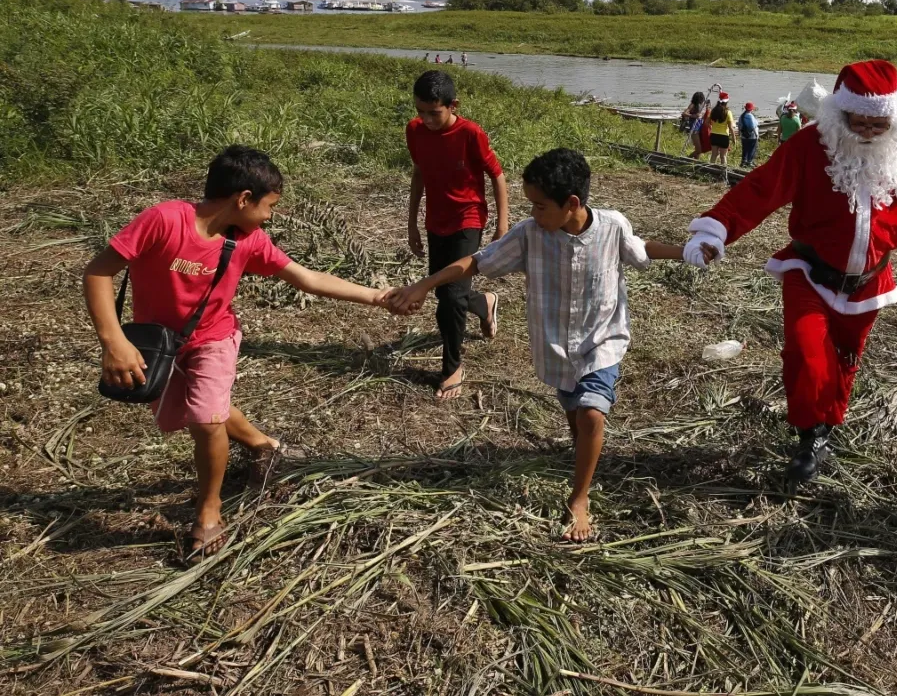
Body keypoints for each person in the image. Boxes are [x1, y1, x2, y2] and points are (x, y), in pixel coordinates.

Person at [683, 60, 897, 484]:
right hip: (810, 271)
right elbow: (760, 189)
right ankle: (807, 433)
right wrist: (715, 230)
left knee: (846, 359)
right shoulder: (809, 146)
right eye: (861, 122)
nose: (871, 132)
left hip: (870, 280)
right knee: (806, 351)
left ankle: (828, 427)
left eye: (881, 124)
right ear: (841, 113)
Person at [83, 146, 391, 559]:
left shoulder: (249, 241)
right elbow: (98, 271)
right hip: (161, 343)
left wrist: (378, 296)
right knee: (201, 410)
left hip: (215, 338)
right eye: (269, 206)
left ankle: (208, 509)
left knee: (206, 419)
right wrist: (114, 341)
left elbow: (307, 278)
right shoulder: (164, 220)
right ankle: (264, 446)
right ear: (243, 199)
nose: (269, 216)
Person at [387, 149, 688, 541]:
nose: (534, 214)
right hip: (556, 345)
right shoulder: (531, 234)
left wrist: (687, 252)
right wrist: (423, 285)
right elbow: (477, 262)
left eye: (541, 206)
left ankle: (578, 499)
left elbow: (641, 249)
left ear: (572, 204)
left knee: (592, 413)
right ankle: (581, 451)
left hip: (603, 340)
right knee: (574, 409)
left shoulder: (613, 226)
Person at [405, 70, 508, 400]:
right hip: (436, 221)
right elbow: (419, 173)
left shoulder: (470, 133)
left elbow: (497, 175)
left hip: (469, 219)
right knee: (446, 292)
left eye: (434, 113)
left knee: (449, 298)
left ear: (453, 106)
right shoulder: (415, 130)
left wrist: (502, 225)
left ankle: (451, 367)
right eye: (421, 111)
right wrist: (412, 221)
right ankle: (484, 303)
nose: (427, 119)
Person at [706, 91, 736, 166]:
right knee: (723, 156)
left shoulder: (713, 111)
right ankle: (723, 172)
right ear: (726, 102)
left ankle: (711, 170)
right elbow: (731, 128)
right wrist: (734, 139)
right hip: (724, 136)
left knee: (714, 155)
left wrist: (711, 127)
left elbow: (706, 122)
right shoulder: (728, 112)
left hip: (714, 135)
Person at [682, 91, 707, 158]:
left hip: (700, 128)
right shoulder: (692, 105)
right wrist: (693, 115)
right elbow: (684, 113)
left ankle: (695, 163)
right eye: (701, 99)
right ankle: (687, 159)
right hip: (694, 129)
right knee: (699, 150)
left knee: (699, 150)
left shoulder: (701, 105)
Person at [739, 102, 760, 167]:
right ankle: (750, 162)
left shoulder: (741, 116)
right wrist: (757, 135)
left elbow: (739, 125)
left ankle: (743, 161)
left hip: (743, 135)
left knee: (745, 149)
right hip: (752, 136)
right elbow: (753, 126)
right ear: (751, 109)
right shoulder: (750, 116)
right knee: (752, 149)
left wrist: (740, 133)